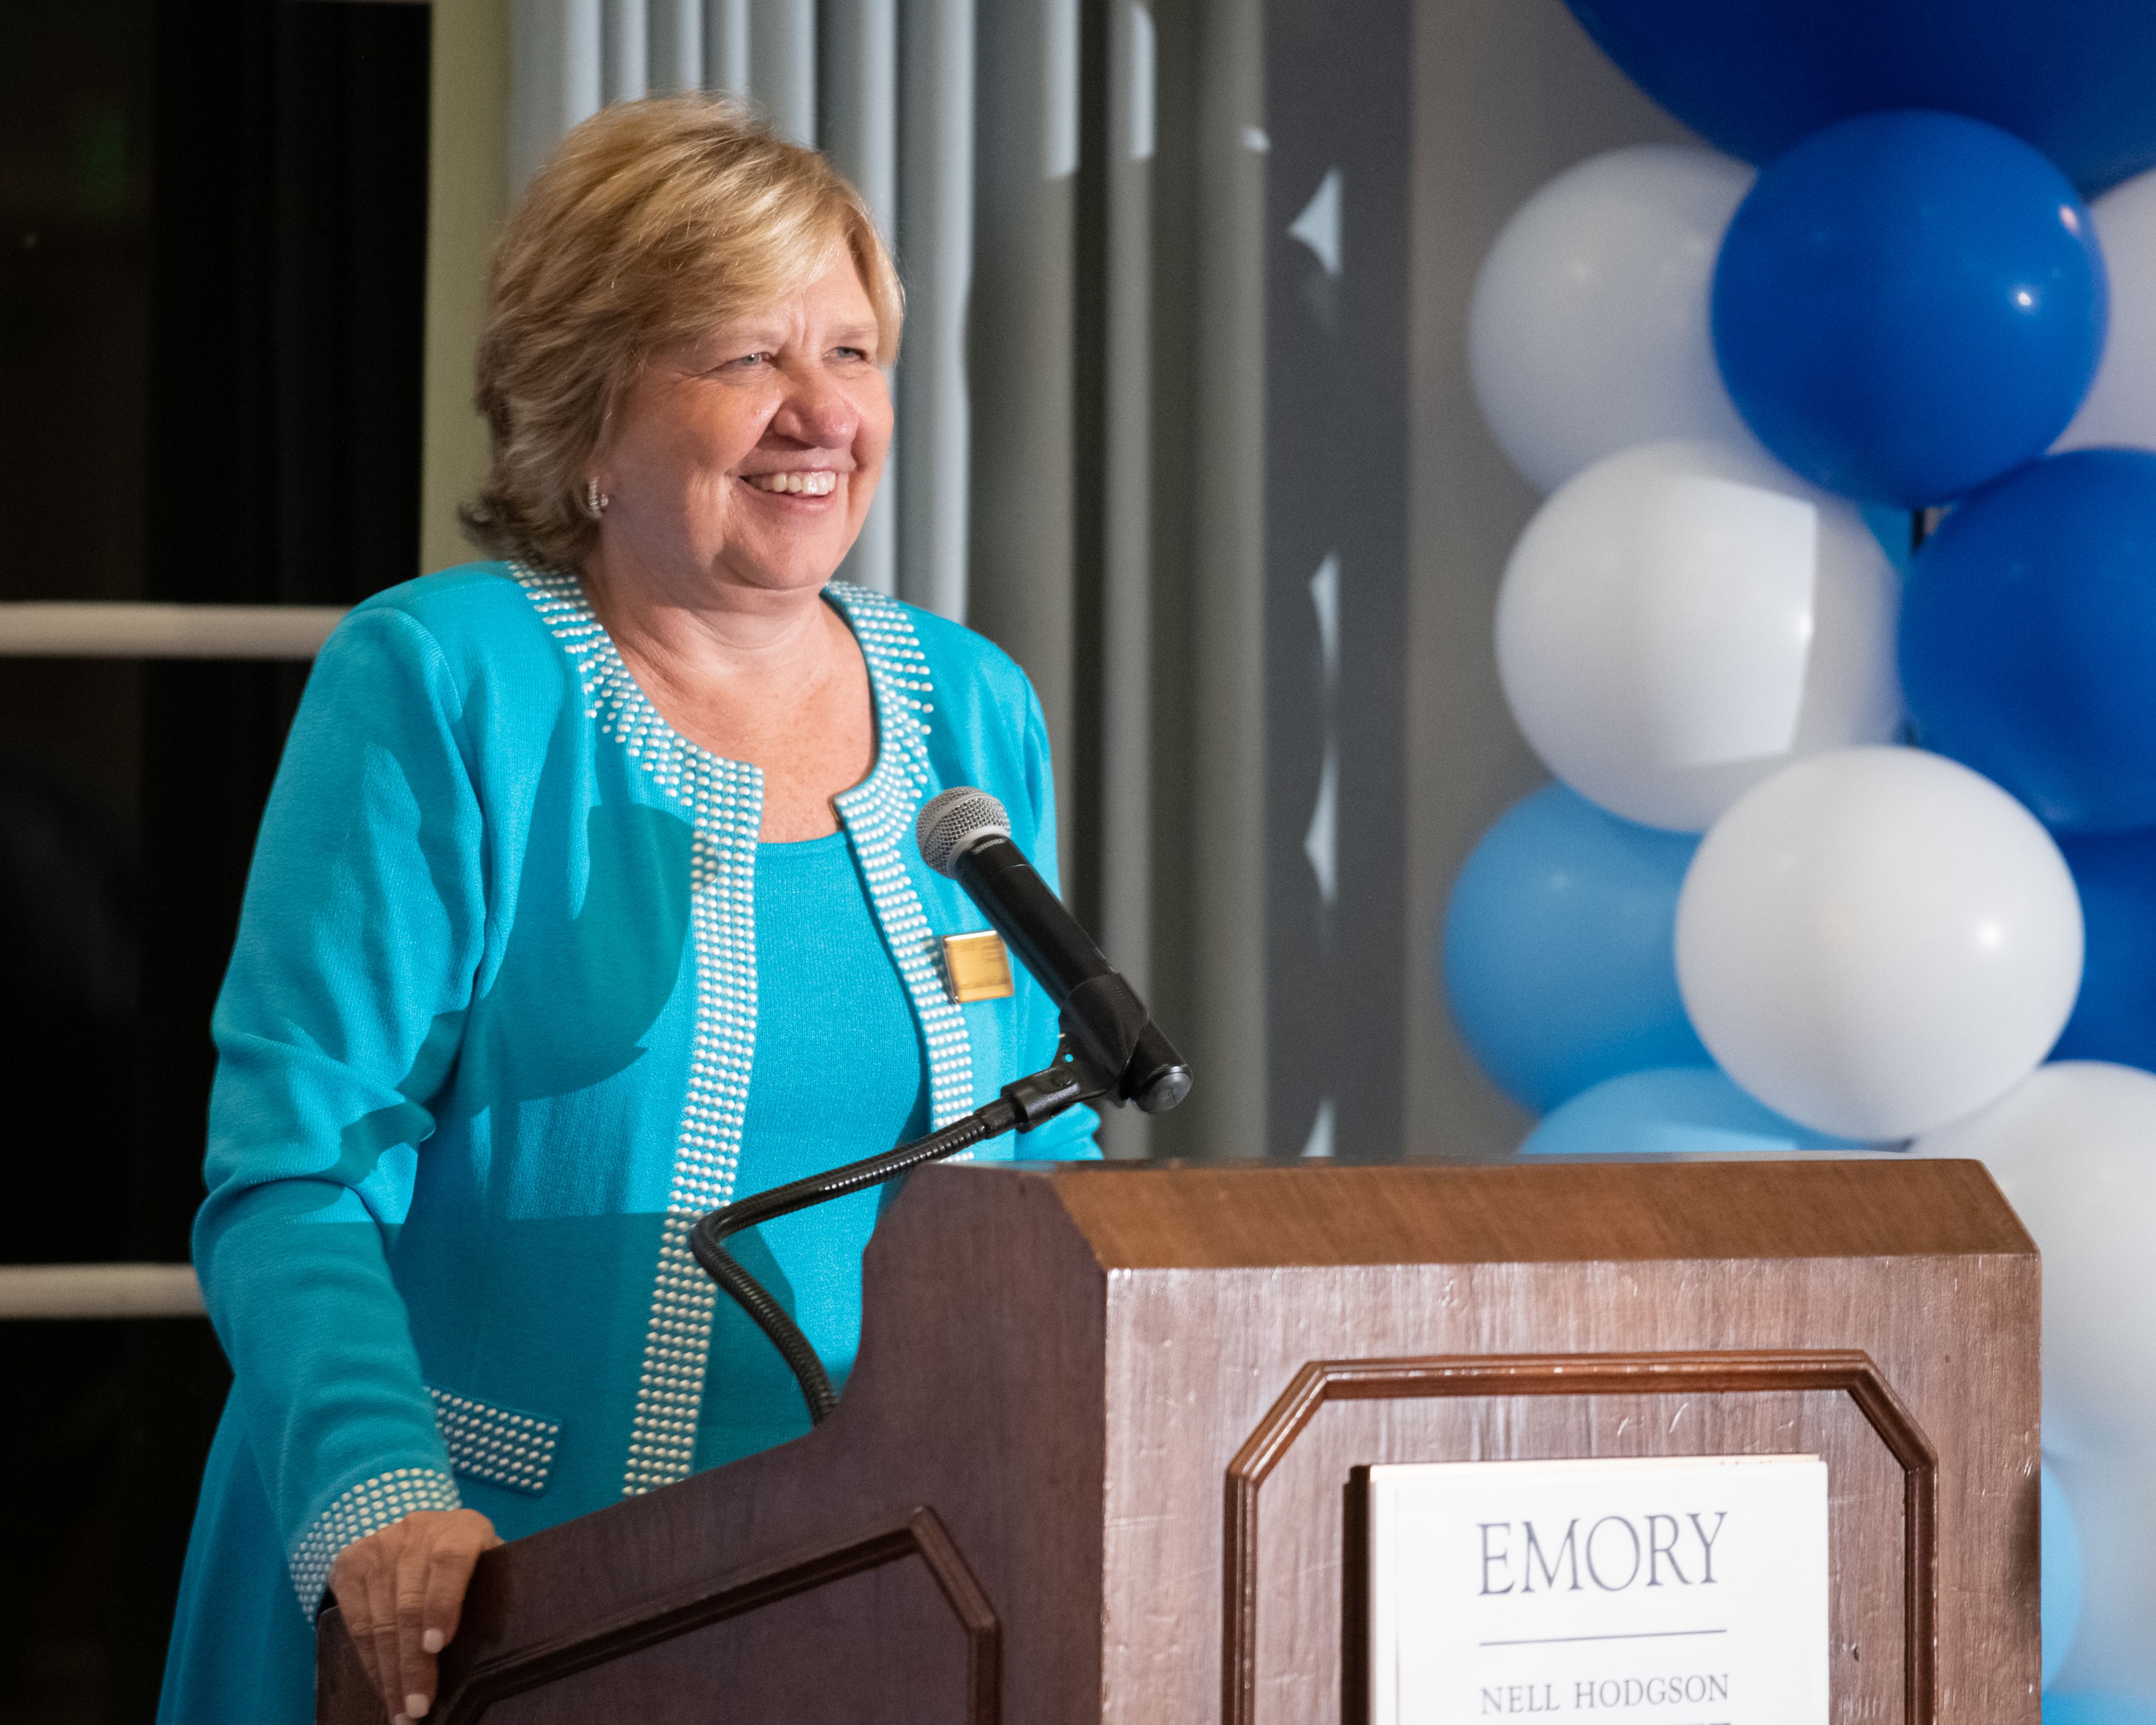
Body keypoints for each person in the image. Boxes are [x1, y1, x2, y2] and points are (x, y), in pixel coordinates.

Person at [155, 95, 1095, 1725]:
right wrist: (383, 1497)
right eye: (747, 357)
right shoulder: (447, 683)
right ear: (587, 417)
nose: (820, 415)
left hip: (878, 1597)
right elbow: (292, 1175)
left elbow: (1048, 1160)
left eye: (855, 354)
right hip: (485, 1596)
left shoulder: (971, 706)